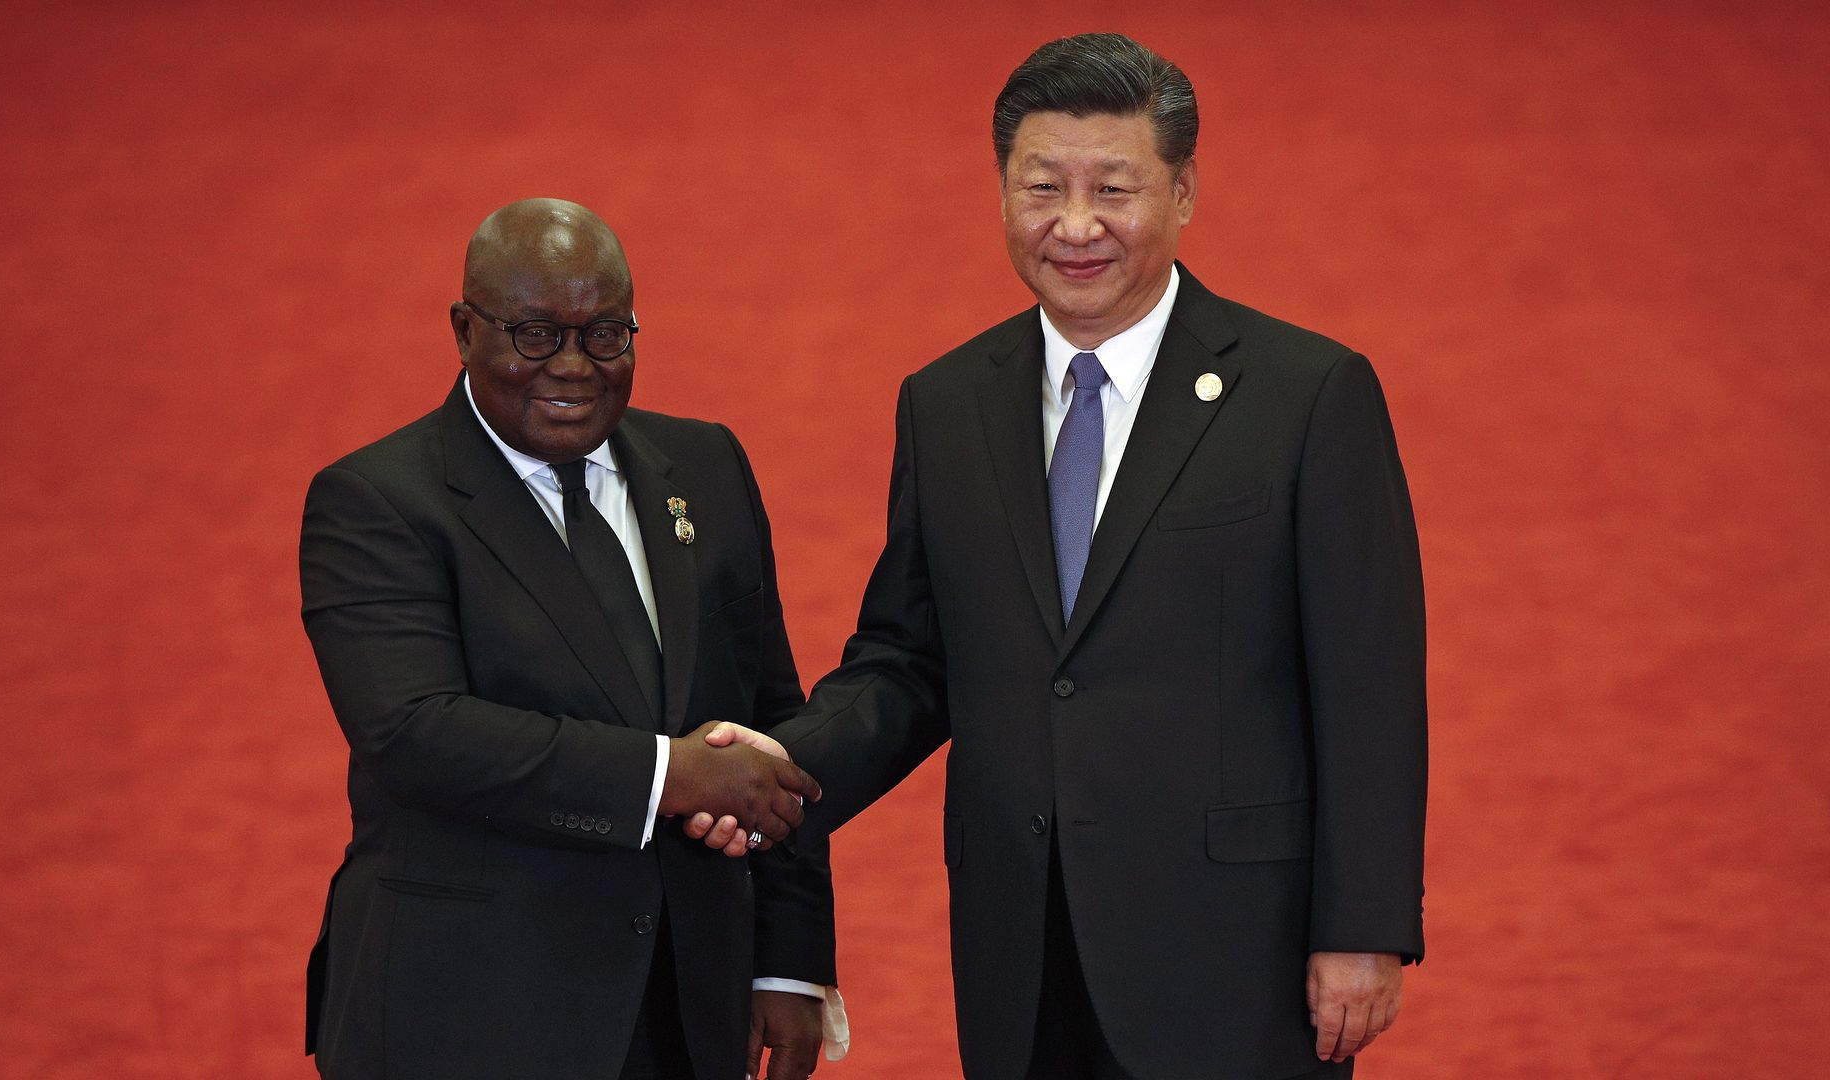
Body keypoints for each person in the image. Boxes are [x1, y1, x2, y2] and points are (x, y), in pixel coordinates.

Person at [697, 33, 1428, 1080]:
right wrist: (776, 770)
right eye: (1042, 187)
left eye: (1113, 189)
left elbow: (1368, 684)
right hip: (1022, 940)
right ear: (1001, 193)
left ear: (1182, 195)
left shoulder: (1307, 394)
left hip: (1236, 946)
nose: (1075, 226)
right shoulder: (947, 404)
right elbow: (909, 662)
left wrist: (1363, 927)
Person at [298, 198, 838, 1080]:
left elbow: (768, 722)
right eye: (537, 335)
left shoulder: (705, 467)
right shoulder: (377, 501)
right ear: (464, 330)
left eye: (607, 334)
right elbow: (415, 731)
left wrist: (789, 957)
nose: (577, 367)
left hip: (683, 1006)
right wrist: (669, 774)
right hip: (469, 1013)